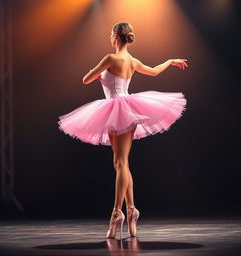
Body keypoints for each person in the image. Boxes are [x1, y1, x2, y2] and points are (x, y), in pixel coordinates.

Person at [58, 21, 188, 239]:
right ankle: (132, 210)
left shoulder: (110, 58)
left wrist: (97, 73)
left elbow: (85, 79)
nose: (110, 37)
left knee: (120, 163)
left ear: (116, 37)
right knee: (122, 163)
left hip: (116, 109)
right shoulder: (132, 60)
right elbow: (154, 72)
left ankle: (116, 212)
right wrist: (170, 61)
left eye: (111, 34)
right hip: (128, 107)